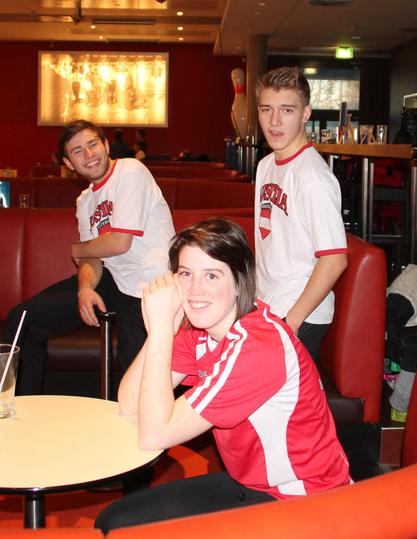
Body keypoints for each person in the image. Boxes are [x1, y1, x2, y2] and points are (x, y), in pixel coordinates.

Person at [93, 218, 351, 532]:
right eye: (185, 274)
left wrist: (160, 328)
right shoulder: (202, 329)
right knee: (114, 523)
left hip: (304, 501)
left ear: (240, 282)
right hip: (249, 484)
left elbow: (154, 435)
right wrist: (165, 329)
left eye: (212, 275)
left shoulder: (258, 347)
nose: (195, 290)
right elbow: (129, 402)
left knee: (132, 531)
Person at [5, 119, 174, 394]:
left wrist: (77, 249)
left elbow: (119, 242)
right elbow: (91, 256)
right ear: (68, 163)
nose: (89, 154)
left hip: (149, 286)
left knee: (136, 389)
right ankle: (20, 406)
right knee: (23, 319)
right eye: (78, 151)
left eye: (93, 144)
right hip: (112, 279)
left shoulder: (131, 171)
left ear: (106, 145)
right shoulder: (85, 200)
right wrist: (85, 288)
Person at [254, 66, 348, 362]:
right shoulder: (266, 165)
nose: (274, 121)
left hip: (300, 314)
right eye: (266, 109)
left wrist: (291, 321)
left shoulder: (313, 178)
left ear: (306, 113)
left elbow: (334, 259)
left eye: (287, 110)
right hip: (269, 305)